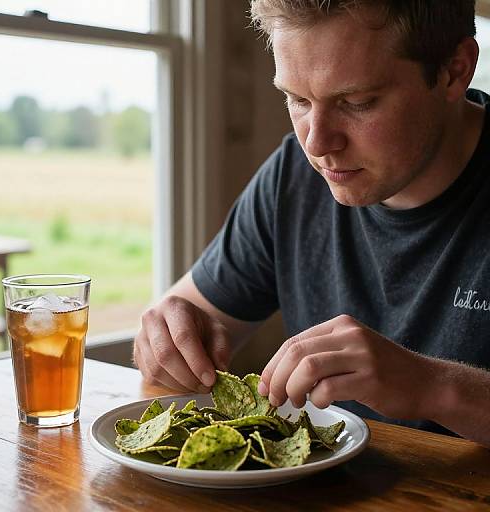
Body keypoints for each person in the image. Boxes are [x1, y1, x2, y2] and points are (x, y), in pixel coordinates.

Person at [134, 0, 490, 446]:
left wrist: (431, 386)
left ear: (455, 70)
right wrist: (169, 338)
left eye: (357, 102)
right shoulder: (294, 177)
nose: (317, 143)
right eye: (297, 99)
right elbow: (188, 324)